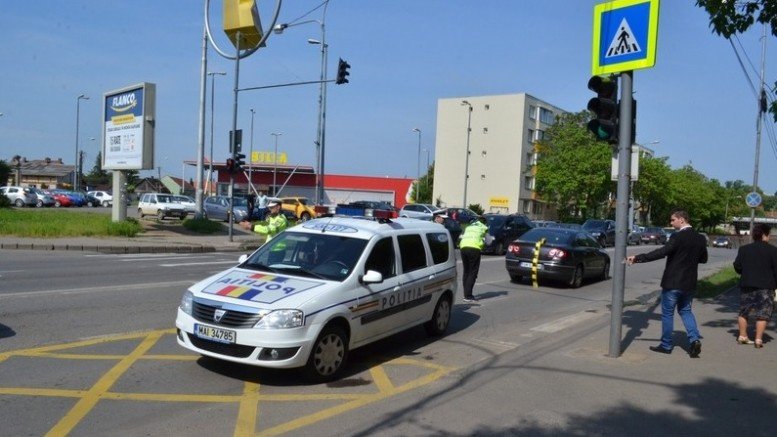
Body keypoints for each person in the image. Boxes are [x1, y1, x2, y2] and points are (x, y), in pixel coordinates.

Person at [626, 209, 708, 357]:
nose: (671, 223)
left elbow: (662, 252)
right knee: (686, 311)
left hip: (673, 282)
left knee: (668, 314)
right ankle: (694, 339)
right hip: (689, 283)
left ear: (682, 219)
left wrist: (638, 258)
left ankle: (666, 345)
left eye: (672, 220)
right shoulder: (700, 238)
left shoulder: (677, 236)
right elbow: (704, 259)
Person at [733, 223, 777, 349]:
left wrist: (745, 272)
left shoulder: (744, 249)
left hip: (747, 284)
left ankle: (742, 336)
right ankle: (758, 340)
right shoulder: (773, 250)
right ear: (765, 235)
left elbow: (737, 266)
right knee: (763, 314)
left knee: (744, 311)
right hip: (766, 287)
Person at [459, 215, 488, 303]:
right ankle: (468, 296)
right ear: (484, 222)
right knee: (472, 272)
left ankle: (465, 294)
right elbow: (489, 240)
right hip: (474, 249)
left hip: (463, 247)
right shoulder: (483, 227)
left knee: (466, 271)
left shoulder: (469, 227)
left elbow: (461, 237)